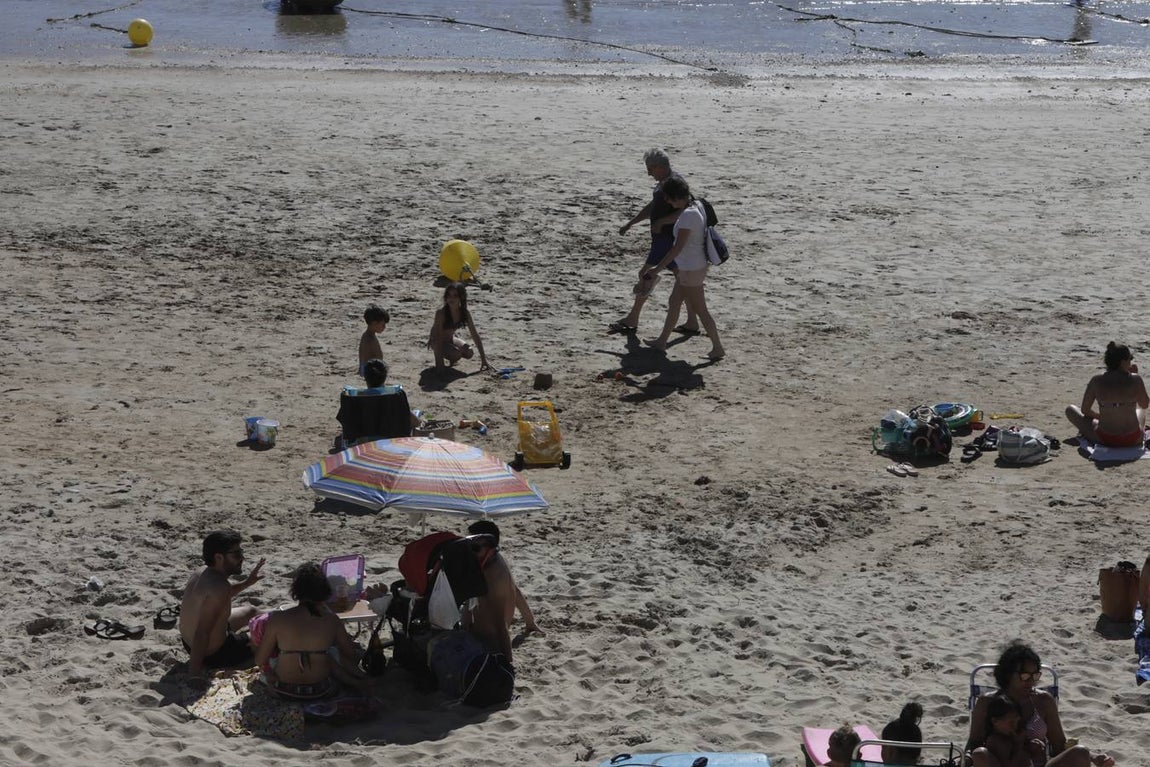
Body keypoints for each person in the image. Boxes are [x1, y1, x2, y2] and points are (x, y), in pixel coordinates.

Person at [966, 642, 1114, 767]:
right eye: (1024, 676)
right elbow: (974, 743)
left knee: (1081, 752)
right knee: (980, 754)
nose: (1030, 681)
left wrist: (1093, 756)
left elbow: (1059, 746)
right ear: (1008, 674)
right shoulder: (988, 702)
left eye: (1035, 675)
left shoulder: (1044, 701)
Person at [613, 148, 698, 335]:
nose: (648, 173)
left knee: (646, 274)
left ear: (660, 167)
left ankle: (633, 317)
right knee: (682, 281)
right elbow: (653, 206)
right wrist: (631, 223)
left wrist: (662, 221)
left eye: (650, 169)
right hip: (662, 241)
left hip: (668, 241)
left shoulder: (675, 183)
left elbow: (687, 209)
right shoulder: (662, 184)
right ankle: (692, 321)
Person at [252, 563, 366, 700]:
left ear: (296, 591)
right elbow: (350, 654)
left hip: (282, 691)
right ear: (324, 592)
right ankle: (359, 682)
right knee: (331, 655)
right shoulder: (332, 620)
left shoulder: (277, 618)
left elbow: (260, 660)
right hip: (321, 691)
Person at [642, 176, 725, 361]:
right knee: (674, 302)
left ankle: (718, 348)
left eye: (669, 199)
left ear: (677, 197)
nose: (667, 202)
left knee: (701, 309)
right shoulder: (696, 205)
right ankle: (662, 341)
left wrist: (656, 270)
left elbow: (676, 248)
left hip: (691, 269)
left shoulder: (688, 215)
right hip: (691, 266)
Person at [179, 531, 265, 678]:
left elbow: (218, 598)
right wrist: (194, 674)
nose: (242, 558)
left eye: (241, 552)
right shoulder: (219, 587)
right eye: (236, 554)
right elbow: (202, 633)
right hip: (214, 653)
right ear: (219, 557)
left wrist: (247, 583)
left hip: (188, 643)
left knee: (251, 611)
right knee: (266, 633)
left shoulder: (201, 572)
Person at [462, 521, 540, 663]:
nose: (469, 551)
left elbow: (501, 627)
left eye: (475, 547)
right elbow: (515, 590)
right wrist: (530, 621)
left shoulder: (495, 577)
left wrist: (508, 664)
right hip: (482, 633)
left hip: (486, 641)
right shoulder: (495, 560)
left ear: (490, 548)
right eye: (467, 544)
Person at [1065, 341, 1149, 447]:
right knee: (1140, 411)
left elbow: (1085, 410)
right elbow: (1144, 404)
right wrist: (1135, 376)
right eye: (1130, 359)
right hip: (1133, 438)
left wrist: (1100, 417)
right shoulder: (1136, 379)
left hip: (1105, 438)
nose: (1131, 362)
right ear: (1123, 361)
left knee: (1070, 410)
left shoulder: (1096, 380)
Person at [428, 282, 491, 374]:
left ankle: (451, 359)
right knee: (456, 354)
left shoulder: (464, 313)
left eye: (455, 295)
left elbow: (475, 335)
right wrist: (439, 364)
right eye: (449, 295)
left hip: (451, 339)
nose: (451, 298)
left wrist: (484, 359)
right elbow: (437, 337)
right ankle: (450, 358)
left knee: (469, 352)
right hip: (436, 341)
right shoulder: (441, 313)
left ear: (461, 297)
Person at [971, 694, 1045, 767]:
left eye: (1017, 721)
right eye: (1011, 722)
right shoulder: (995, 741)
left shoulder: (1012, 736)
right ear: (995, 721)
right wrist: (1019, 745)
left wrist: (1033, 745)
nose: (1015, 726)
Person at [359, 304, 390, 380]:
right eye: (383, 325)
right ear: (374, 323)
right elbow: (363, 358)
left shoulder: (368, 335)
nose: (384, 327)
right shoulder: (369, 339)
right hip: (373, 373)